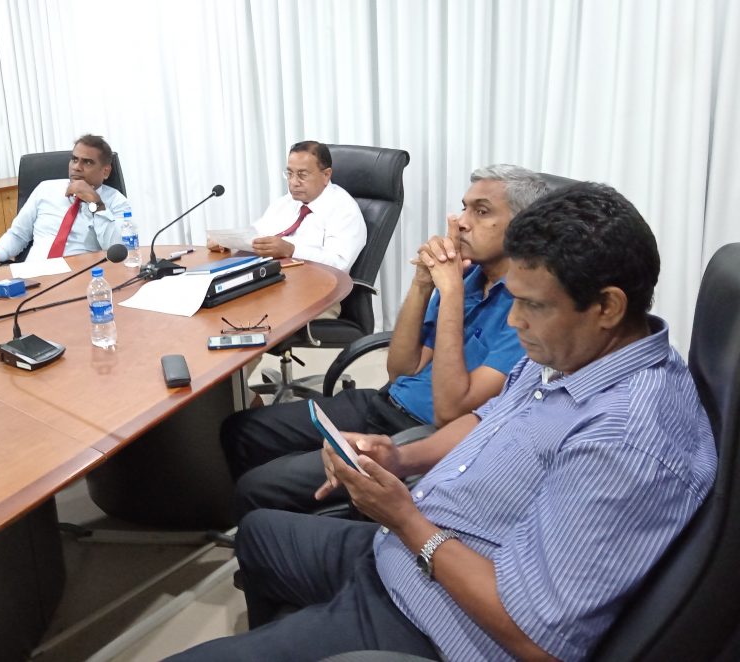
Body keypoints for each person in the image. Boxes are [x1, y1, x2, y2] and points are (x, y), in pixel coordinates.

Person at [168, 182, 717, 662]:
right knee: (260, 533)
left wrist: (406, 519)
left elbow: (539, 639)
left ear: (607, 307)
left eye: (532, 306)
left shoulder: (627, 439)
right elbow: (484, 417)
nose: (516, 321)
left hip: (434, 621)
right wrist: (399, 456)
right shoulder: (573, 353)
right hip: (404, 554)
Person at [223, 165, 549, 519]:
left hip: (421, 432)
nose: (461, 222)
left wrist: (451, 293)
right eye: (464, 208)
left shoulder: (528, 309)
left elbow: (450, 412)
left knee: (257, 488)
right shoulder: (468, 278)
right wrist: (423, 284)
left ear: (524, 227)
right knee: (242, 430)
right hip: (385, 402)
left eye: (481, 212)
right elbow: (401, 369)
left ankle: (280, 529)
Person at [208, 141, 366, 274]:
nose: (293, 182)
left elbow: (339, 264)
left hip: (317, 289)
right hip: (274, 279)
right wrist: (228, 241)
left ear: (326, 175)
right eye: (290, 174)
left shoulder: (344, 210)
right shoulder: (286, 203)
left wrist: (291, 250)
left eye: (302, 175)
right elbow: (257, 233)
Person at [0, 134, 130, 268]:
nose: (77, 167)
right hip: (33, 273)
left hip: (81, 275)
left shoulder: (116, 202)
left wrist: (96, 203)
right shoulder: (45, 189)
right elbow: (18, 235)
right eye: (74, 160)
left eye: (88, 162)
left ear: (105, 171)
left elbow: (118, 249)